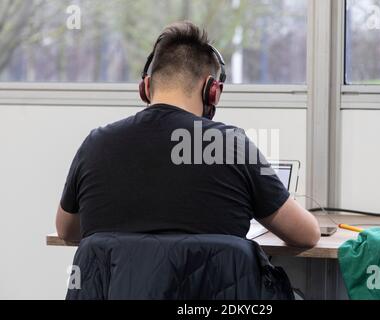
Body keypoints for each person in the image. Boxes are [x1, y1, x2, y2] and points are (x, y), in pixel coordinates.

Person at [56, 21, 320, 248]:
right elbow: (307, 234)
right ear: (212, 91)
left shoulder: (96, 145)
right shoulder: (229, 145)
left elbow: (66, 230)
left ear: (146, 87)